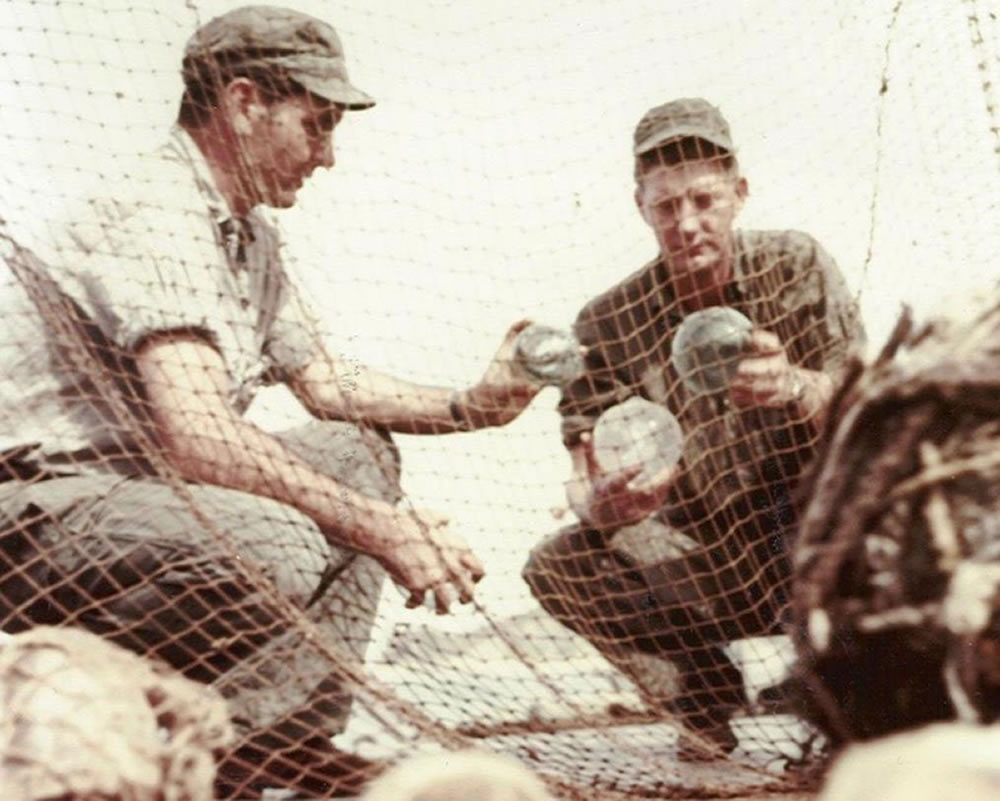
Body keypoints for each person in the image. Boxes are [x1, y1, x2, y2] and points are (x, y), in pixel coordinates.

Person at [0, 6, 539, 797]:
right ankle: (129, 723)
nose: (326, 157)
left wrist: (472, 405)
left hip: (141, 502)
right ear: (245, 104)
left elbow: (323, 383)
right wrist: (385, 528)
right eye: (315, 125)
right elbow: (199, 439)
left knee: (361, 453)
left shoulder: (249, 235)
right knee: (279, 539)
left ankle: (272, 743)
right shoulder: (156, 207)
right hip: (41, 513)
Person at [522, 97, 865, 758]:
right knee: (557, 564)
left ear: (739, 193)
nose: (687, 224)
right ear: (640, 206)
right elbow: (581, 478)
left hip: (808, 538)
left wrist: (797, 386)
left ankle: (839, 691)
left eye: (704, 201)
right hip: (700, 556)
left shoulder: (797, 264)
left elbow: (862, 401)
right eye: (666, 206)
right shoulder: (607, 322)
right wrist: (605, 503)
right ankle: (702, 692)